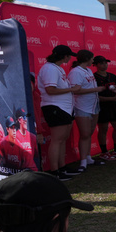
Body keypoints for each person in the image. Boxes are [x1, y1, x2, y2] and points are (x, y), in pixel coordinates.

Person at [38, 44, 81, 181]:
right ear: (64, 56)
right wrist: (71, 90)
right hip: (54, 107)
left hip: (63, 107)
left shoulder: (57, 68)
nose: (69, 59)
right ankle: (55, 171)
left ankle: (62, 167)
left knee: (62, 139)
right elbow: (50, 90)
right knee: (57, 140)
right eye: (69, 56)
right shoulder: (50, 68)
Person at [68, 50, 104, 171]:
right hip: (82, 106)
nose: (93, 61)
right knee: (84, 134)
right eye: (92, 58)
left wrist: (95, 90)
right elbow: (75, 90)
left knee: (89, 133)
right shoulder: (76, 72)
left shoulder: (88, 70)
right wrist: (95, 89)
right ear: (87, 59)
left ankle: (88, 157)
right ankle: (83, 161)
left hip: (93, 105)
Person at [93, 56, 116, 160]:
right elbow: (96, 97)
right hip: (102, 106)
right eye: (101, 63)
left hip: (114, 105)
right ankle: (104, 152)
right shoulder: (94, 77)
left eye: (106, 63)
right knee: (103, 128)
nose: (104, 65)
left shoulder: (112, 76)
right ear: (96, 65)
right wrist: (113, 99)